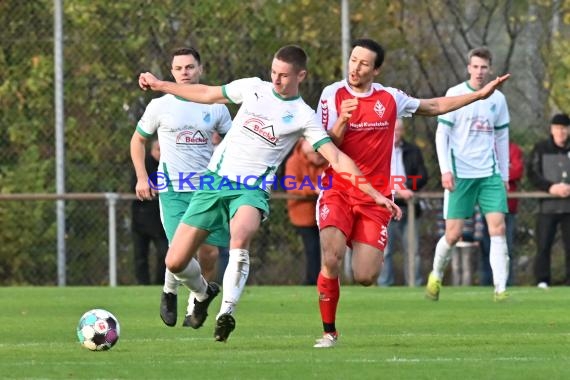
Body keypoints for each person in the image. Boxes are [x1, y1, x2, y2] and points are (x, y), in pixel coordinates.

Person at [139, 44, 404, 343]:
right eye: (274, 73)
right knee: (174, 262)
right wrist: (161, 85)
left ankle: (227, 313)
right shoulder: (253, 88)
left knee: (241, 236)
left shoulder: (303, 115)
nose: (276, 80)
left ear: (300, 76)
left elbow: (338, 158)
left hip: (251, 189)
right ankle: (202, 293)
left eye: (284, 75)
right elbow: (205, 93)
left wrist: (374, 193)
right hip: (215, 182)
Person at [314, 39, 509, 347]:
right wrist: (341, 121)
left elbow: (433, 106)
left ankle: (354, 237)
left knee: (365, 276)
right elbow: (324, 151)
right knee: (331, 257)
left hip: (375, 197)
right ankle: (329, 331)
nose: (356, 67)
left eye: (364, 63)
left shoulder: (390, 98)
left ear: (376, 69)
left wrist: (479, 95)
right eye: (353, 60)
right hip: (337, 189)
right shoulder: (331, 95)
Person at [131, 47, 232, 328]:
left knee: (210, 254)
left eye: (189, 67)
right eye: (178, 68)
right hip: (174, 189)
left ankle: (192, 306)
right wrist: (142, 177)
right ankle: (187, 292)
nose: (184, 73)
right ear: (172, 72)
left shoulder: (215, 105)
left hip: (209, 190)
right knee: (178, 254)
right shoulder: (160, 105)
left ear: (200, 69)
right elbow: (137, 141)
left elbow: (234, 142)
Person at [425, 46, 511, 303]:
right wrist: (445, 170)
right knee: (453, 235)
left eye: (484, 67)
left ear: (490, 69)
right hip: (460, 173)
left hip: (489, 174)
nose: (479, 71)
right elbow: (443, 134)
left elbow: (502, 136)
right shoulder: (455, 94)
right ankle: (437, 274)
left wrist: (504, 174)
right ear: (468, 68)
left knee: (498, 228)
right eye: (475, 66)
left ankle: (500, 289)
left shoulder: (498, 100)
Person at [377, 118, 428, 287]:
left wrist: (406, 187)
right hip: (385, 206)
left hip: (409, 207)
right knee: (385, 250)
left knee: (412, 251)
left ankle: (415, 284)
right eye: (393, 129)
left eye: (399, 130)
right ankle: (384, 285)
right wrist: (397, 189)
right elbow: (375, 177)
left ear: (403, 131)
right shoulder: (377, 150)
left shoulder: (413, 151)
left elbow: (422, 176)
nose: (396, 133)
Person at [527, 113, 570, 288]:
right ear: (552, 130)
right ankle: (542, 280)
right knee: (543, 244)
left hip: (569, 207)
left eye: (564, 128)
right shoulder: (541, 148)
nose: (560, 132)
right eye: (557, 128)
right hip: (547, 206)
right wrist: (550, 187)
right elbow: (532, 172)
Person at [479, 140, 524, 286]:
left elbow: (517, 171)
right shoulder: (482, 146)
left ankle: (506, 282)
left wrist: (493, 173)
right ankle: (486, 282)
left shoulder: (513, 149)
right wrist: (502, 170)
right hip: (485, 205)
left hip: (508, 207)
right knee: (486, 247)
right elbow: (479, 170)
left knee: (507, 246)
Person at [285, 138, 329, 285]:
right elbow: (291, 185)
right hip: (303, 213)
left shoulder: (328, 159)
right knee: (312, 248)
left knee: (328, 249)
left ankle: (326, 279)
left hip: (326, 212)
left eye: (320, 155)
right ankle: (312, 281)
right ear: (307, 153)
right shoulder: (293, 161)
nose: (319, 158)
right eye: (315, 155)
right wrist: (313, 188)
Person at [130, 139, 169, 285]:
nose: (161, 153)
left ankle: (160, 283)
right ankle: (142, 285)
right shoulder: (142, 166)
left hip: (161, 222)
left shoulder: (169, 165)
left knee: (164, 254)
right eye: (158, 149)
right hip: (141, 219)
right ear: (152, 150)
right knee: (140, 256)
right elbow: (135, 185)